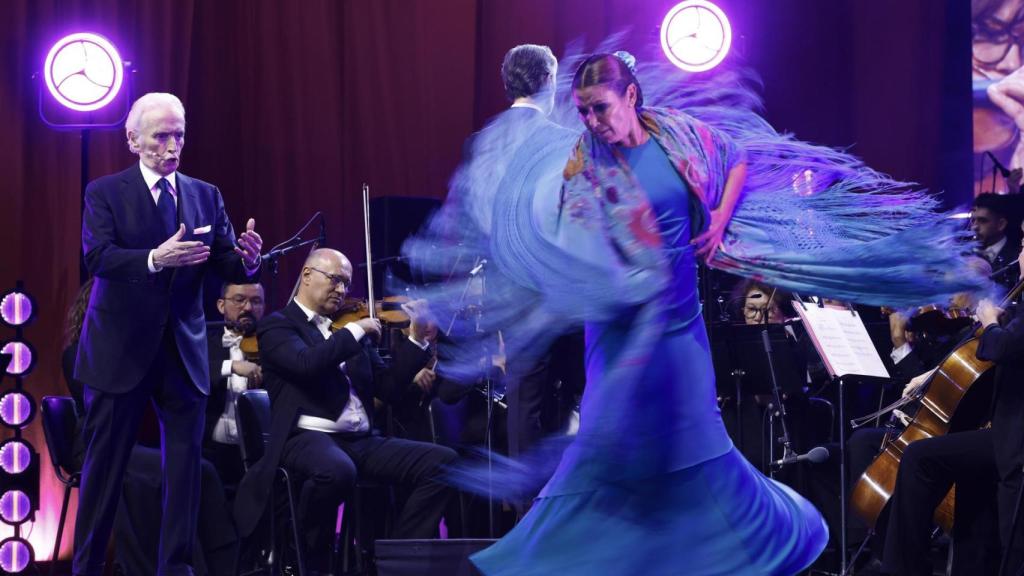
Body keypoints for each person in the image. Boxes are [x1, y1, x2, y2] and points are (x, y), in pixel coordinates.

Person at [72, 92, 262, 576]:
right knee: (103, 472)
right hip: (120, 351)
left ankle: (176, 567)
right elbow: (99, 258)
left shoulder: (205, 193)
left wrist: (247, 259)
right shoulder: (104, 192)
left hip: (183, 349)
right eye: (161, 135)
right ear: (133, 139)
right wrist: (156, 258)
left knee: (184, 473)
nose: (172, 145)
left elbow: (223, 261)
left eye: (179, 134)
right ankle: (88, 566)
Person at [232, 248, 457, 574]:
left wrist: (417, 340)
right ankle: (302, 555)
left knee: (443, 462)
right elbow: (306, 364)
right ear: (307, 276)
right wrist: (357, 331)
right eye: (335, 280)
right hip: (305, 436)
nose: (341, 290)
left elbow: (389, 389)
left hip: (361, 442)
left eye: (346, 284)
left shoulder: (348, 330)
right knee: (338, 470)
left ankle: (396, 560)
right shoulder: (278, 327)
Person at [63, 279, 240, 576]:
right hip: (99, 445)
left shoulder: (142, 352)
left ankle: (220, 563)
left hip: (138, 443)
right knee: (167, 473)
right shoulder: (81, 353)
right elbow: (105, 407)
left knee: (199, 469)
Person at [879, 229, 1024, 576]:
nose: (1021, 254)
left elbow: (1001, 348)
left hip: (1014, 436)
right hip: (1004, 428)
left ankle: (903, 568)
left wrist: (990, 324)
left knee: (921, 457)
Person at [205, 282, 265, 486]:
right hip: (210, 450)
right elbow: (189, 373)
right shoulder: (202, 340)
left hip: (259, 451)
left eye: (256, 301)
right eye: (239, 300)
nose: (248, 308)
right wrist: (230, 366)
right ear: (221, 305)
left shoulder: (272, 344)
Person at [972, 193, 1022, 291]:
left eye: (983, 221)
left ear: (1001, 224)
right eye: (973, 220)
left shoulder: (1018, 257)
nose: (975, 226)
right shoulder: (964, 255)